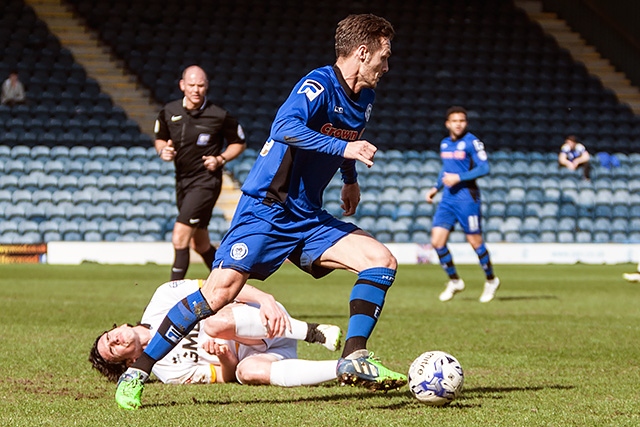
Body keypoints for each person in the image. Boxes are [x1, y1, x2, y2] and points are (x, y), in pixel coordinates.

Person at [115, 13, 406, 410]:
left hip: (306, 214)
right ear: (361, 52)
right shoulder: (318, 84)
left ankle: (354, 355)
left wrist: (349, 178)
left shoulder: (366, 98)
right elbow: (284, 127)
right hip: (267, 208)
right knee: (218, 294)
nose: (387, 66)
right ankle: (138, 371)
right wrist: (345, 152)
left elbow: (348, 136)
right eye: (383, 57)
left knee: (381, 260)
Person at [90, 279, 341, 387]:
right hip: (256, 355)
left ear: (119, 326)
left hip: (265, 320)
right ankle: (342, 369)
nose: (114, 339)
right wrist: (224, 357)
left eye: (109, 335)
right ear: (130, 362)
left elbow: (222, 288)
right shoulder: (169, 374)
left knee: (212, 325)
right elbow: (227, 377)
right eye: (112, 348)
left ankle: (312, 332)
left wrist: (264, 299)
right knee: (247, 373)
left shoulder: (163, 297)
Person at [155, 65, 246, 280]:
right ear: (182, 85)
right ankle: (228, 282)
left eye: (201, 85)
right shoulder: (169, 111)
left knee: (180, 238)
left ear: (207, 87)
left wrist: (220, 158)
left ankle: (171, 296)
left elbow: (239, 143)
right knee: (200, 243)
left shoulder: (219, 115)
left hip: (206, 182)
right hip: (182, 181)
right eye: (192, 85)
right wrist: (162, 150)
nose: (196, 90)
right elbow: (160, 138)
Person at [425, 106, 500, 303]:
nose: (458, 124)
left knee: (475, 242)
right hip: (448, 199)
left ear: (465, 123)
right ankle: (455, 280)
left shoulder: (472, 142)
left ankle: (491, 279)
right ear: (447, 124)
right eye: (455, 121)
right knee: (437, 242)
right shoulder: (444, 144)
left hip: (467, 198)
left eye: (462, 120)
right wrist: (435, 187)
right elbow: (446, 170)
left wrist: (459, 177)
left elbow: (485, 167)